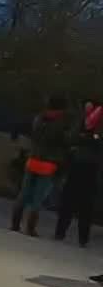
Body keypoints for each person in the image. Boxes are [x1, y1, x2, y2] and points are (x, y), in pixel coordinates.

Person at [13, 95, 71, 237]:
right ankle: (30, 228)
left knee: (23, 194)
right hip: (47, 165)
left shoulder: (39, 119)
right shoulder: (61, 123)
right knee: (38, 198)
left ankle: (15, 224)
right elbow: (65, 141)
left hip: (32, 161)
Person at [57, 99, 100, 246]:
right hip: (80, 164)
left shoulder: (97, 122)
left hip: (89, 165)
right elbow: (71, 137)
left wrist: (85, 139)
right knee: (72, 202)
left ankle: (80, 237)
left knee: (83, 205)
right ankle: (62, 233)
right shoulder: (81, 120)